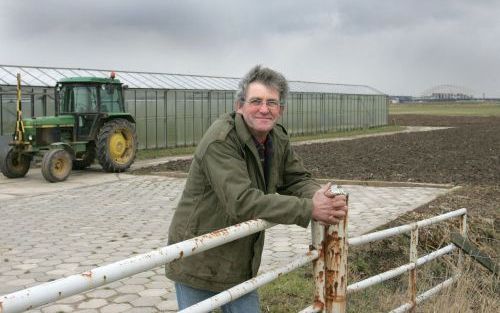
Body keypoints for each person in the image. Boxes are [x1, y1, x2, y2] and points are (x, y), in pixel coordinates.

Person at [165, 65, 348, 312]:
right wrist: (309, 208)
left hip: (239, 260)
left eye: (272, 102)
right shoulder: (221, 142)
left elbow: (295, 178)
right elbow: (241, 201)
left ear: (281, 110)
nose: (264, 109)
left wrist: (319, 195)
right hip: (199, 257)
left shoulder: (277, 138)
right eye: (256, 101)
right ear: (239, 105)